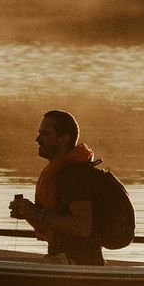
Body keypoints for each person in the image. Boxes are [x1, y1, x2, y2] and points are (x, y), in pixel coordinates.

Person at [9, 110, 104, 266]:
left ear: (63, 139)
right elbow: (54, 225)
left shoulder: (74, 175)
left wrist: (37, 213)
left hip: (79, 264)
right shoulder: (59, 172)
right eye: (39, 133)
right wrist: (28, 214)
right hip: (63, 260)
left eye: (45, 134)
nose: (37, 139)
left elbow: (82, 227)